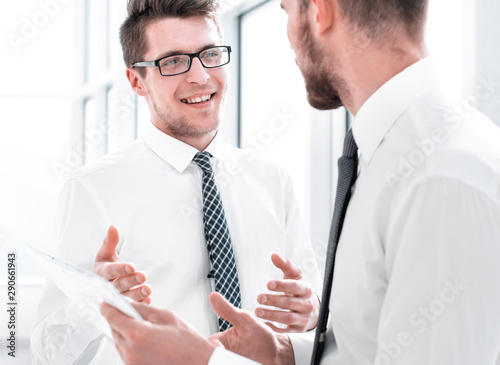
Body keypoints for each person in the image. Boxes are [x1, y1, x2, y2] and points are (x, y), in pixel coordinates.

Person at [101, 0, 500, 363]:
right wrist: (282, 353)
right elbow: (370, 345)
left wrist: (205, 362)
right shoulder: (394, 153)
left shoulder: (440, 176)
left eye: (287, 10)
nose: (289, 37)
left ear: (320, 11)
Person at [30, 1, 323, 364]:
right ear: (137, 81)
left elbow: (314, 315)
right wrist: (93, 305)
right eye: (172, 61)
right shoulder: (93, 189)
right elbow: (48, 352)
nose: (200, 76)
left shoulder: (272, 180)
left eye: (210, 54)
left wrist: (310, 314)